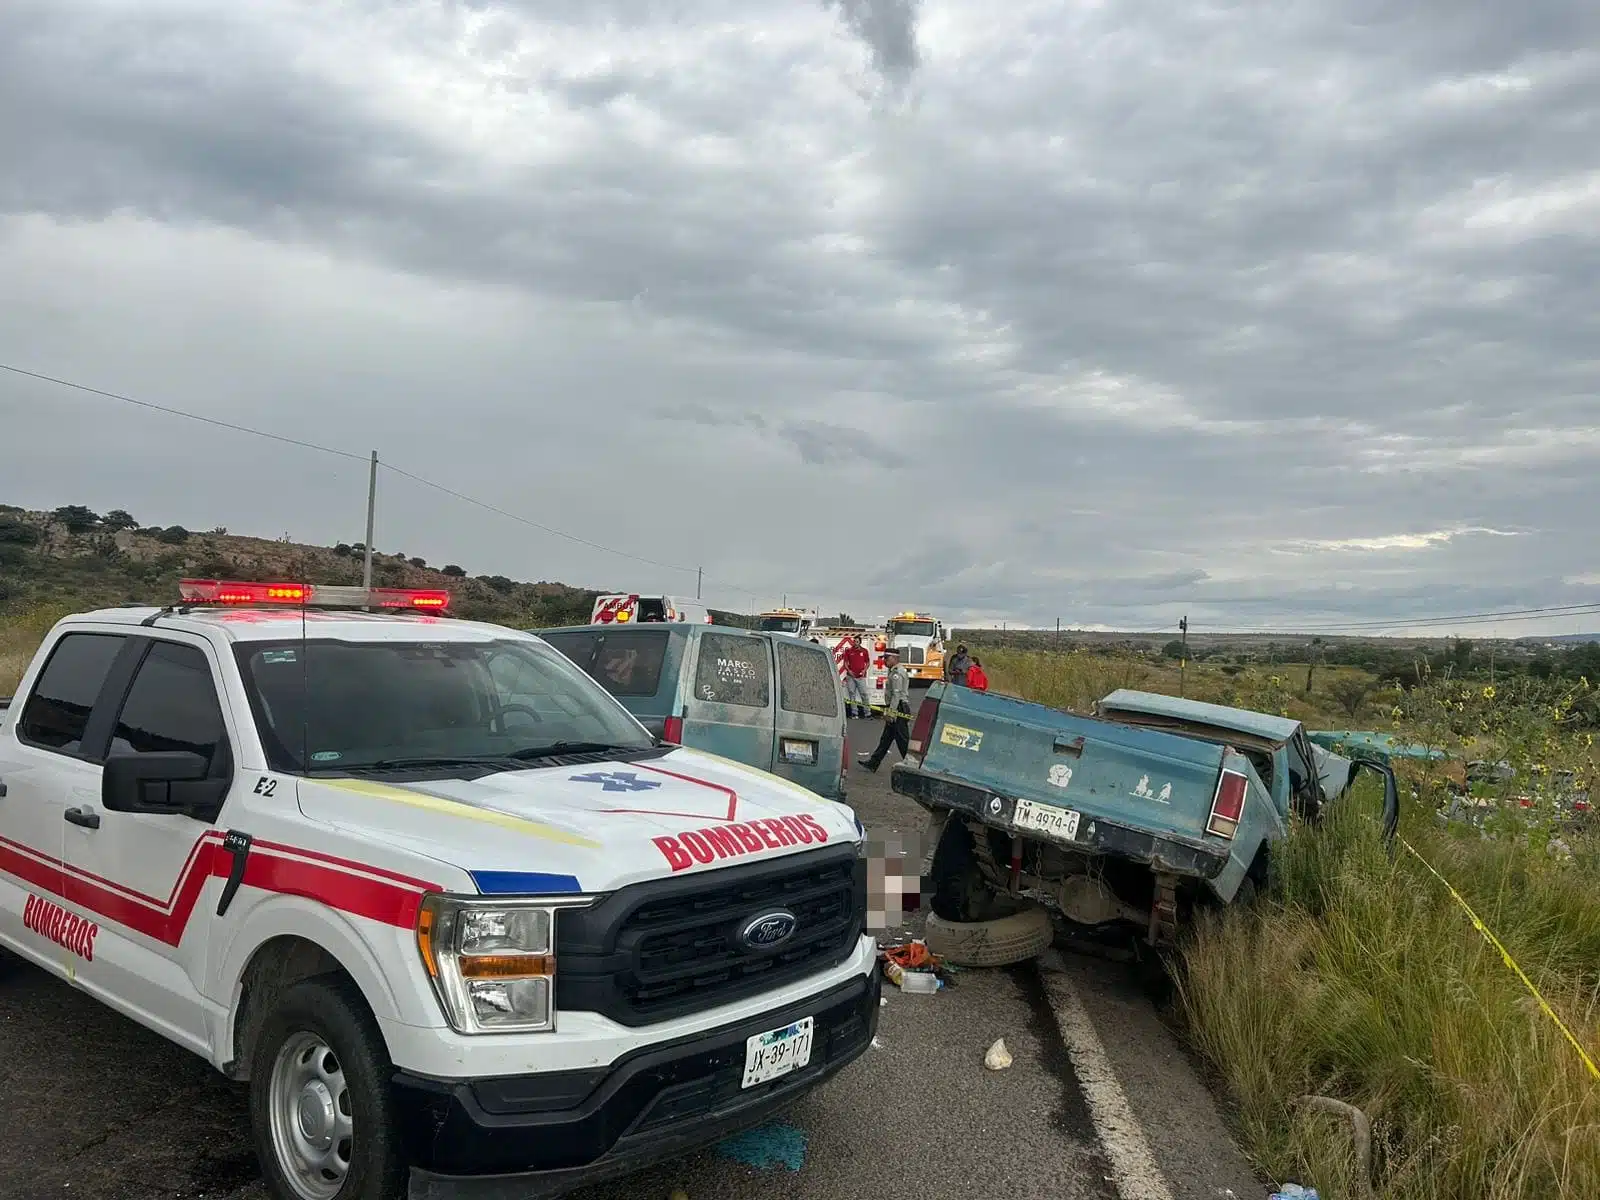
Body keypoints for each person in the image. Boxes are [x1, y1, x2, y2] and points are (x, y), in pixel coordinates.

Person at [859, 649, 910, 772]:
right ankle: (873, 763)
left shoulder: (897, 673)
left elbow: (896, 695)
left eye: (887, 658)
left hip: (898, 708)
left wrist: (891, 713)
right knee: (886, 739)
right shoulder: (893, 671)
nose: (885, 661)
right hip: (894, 707)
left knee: (902, 740)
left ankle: (911, 765)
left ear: (894, 658)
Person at [842, 635, 872, 719]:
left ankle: (867, 713)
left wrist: (864, 670)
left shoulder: (864, 651)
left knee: (864, 694)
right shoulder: (848, 651)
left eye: (857, 641)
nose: (855, 643)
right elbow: (845, 663)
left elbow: (868, 662)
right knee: (852, 694)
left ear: (860, 642)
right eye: (854, 641)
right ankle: (854, 713)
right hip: (850, 677)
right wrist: (849, 671)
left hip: (860, 676)